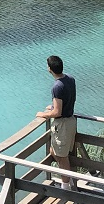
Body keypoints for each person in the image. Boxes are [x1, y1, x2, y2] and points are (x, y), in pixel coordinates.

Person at [35, 55, 77, 190]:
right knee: (55, 151)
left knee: (61, 156)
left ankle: (66, 189)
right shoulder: (70, 79)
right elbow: (65, 102)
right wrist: (53, 107)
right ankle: (68, 182)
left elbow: (57, 113)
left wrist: (44, 114)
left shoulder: (57, 87)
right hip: (71, 121)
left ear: (49, 69)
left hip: (62, 125)